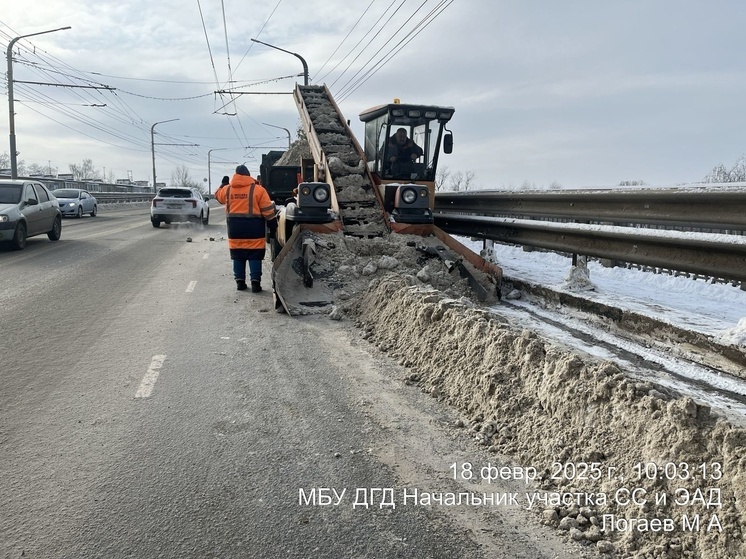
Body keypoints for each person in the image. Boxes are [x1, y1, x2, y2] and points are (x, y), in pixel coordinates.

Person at [214, 165, 277, 292]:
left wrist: (222, 184)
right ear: (249, 176)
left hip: (235, 229)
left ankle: (240, 282)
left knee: (238, 255)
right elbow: (268, 211)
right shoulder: (258, 190)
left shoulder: (227, 189)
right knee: (254, 255)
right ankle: (255, 283)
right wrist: (273, 225)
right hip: (255, 229)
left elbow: (218, 197)